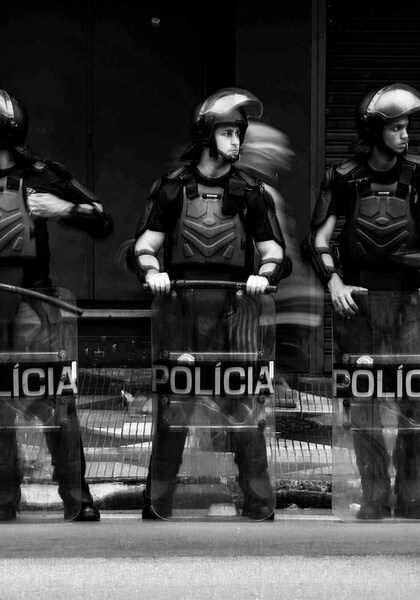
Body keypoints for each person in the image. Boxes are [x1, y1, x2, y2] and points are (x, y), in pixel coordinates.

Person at [0, 82, 113, 522]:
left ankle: (76, 497)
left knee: (52, 398)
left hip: (34, 302)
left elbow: (101, 217)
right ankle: (3, 497)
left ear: (5, 133)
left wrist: (61, 209)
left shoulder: (41, 173)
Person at [129, 87, 290, 520]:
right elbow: (144, 247)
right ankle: (159, 500)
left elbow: (275, 253)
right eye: (228, 132)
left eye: (240, 133)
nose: (237, 141)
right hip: (179, 309)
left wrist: (263, 275)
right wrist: (152, 271)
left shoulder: (250, 192)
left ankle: (257, 499)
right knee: (175, 404)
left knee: (242, 405)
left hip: (236, 310)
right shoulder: (171, 189)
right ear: (206, 135)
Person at [303, 83, 420, 520]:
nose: (406, 134)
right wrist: (333, 285)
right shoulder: (344, 175)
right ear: (375, 130)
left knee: (416, 398)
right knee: (363, 400)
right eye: (397, 127)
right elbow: (318, 240)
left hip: (411, 299)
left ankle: (411, 493)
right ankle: (374, 493)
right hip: (360, 302)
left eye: (407, 126)